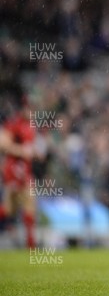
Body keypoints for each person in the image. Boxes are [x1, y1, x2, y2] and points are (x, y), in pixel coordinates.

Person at [0, 94, 42, 248]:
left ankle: (31, 243)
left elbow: (30, 147)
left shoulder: (31, 125)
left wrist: (36, 153)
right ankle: (30, 243)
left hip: (26, 170)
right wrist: (21, 151)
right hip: (13, 170)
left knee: (29, 205)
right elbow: (3, 144)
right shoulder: (13, 124)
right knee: (9, 209)